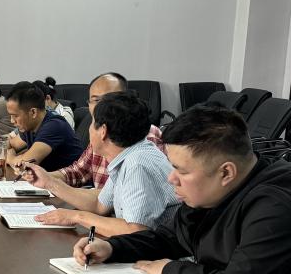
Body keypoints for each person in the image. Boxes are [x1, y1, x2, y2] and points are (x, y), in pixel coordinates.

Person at [75, 104, 291, 274]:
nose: (171, 179)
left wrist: (169, 270)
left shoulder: (277, 209)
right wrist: (113, 248)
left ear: (226, 172)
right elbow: (168, 238)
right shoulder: (216, 191)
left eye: (182, 171)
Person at [23, 91, 179, 237]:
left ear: (103, 131)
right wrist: (49, 182)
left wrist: (76, 216)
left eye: (92, 122)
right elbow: (99, 204)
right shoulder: (129, 155)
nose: (89, 129)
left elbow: (135, 231)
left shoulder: (137, 164)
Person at [53, 72, 164, 190]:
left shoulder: (146, 135)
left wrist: (53, 185)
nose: (102, 106)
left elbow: (124, 194)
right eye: (96, 100)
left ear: (126, 99)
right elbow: (78, 172)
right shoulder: (97, 133)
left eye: (110, 99)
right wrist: (45, 177)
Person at [0, 82, 82, 173]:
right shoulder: (30, 125)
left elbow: (26, 164)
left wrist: (10, 158)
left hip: (69, 183)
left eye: (15, 116)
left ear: (33, 112)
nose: (12, 121)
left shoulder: (54, 126)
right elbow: (12, 144)